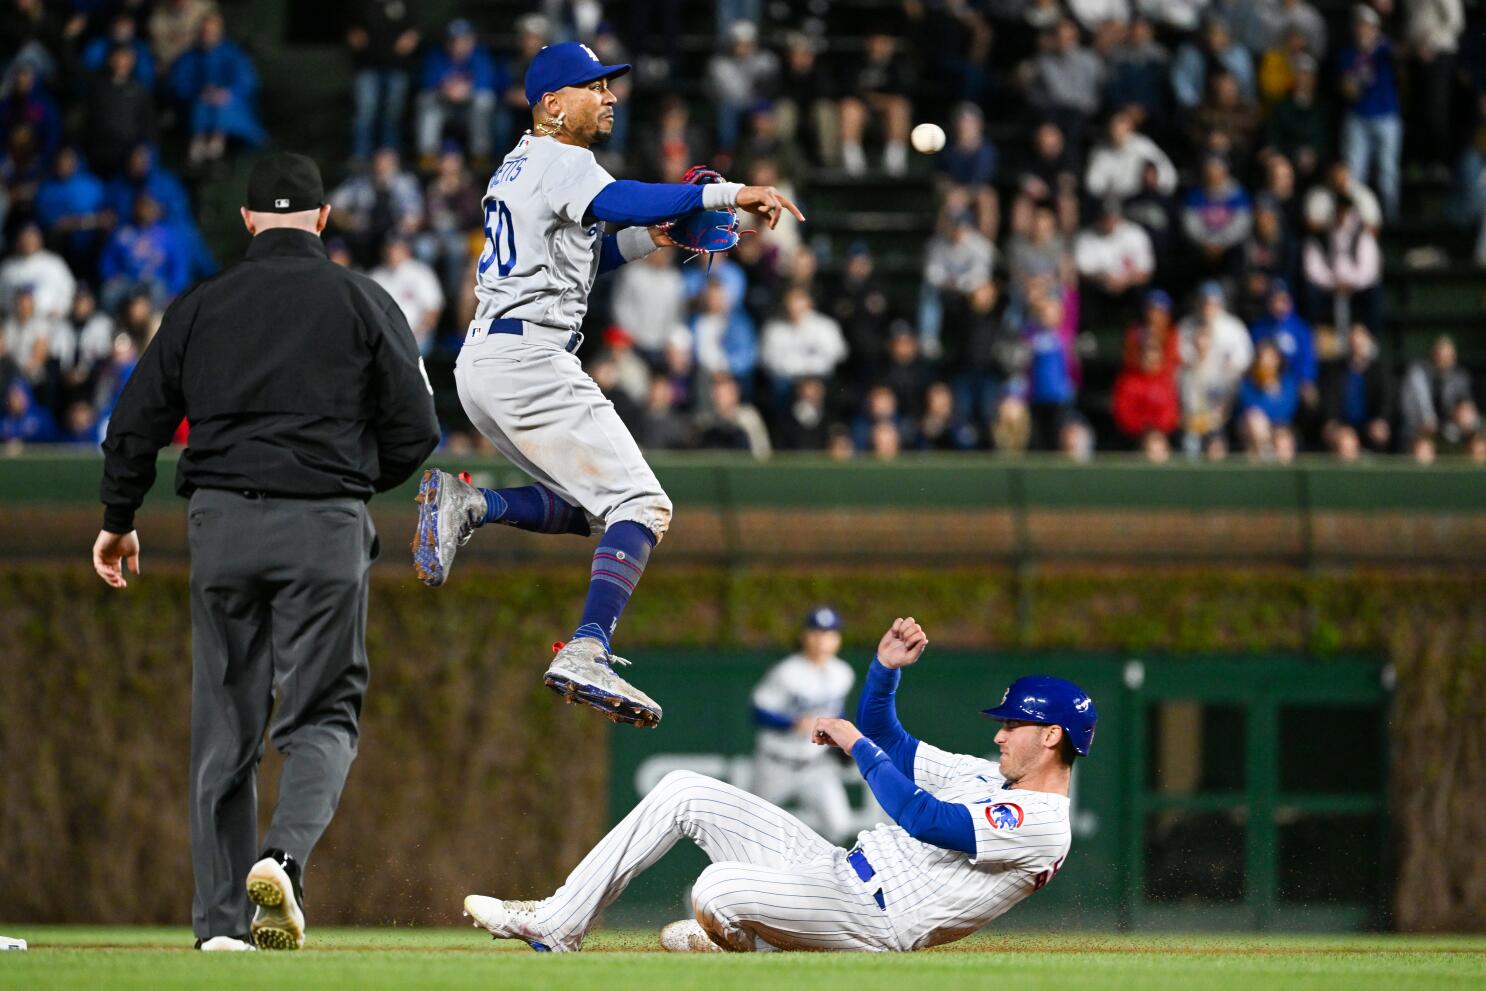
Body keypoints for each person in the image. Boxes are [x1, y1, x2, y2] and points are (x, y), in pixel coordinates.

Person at [90, 153, 440, 953]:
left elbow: (134, 420)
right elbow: (418, 429)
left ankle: (219, 929)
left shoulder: (201, 305)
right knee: (322, 712)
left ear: (247, 220)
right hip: (324, 526)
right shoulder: (362, 298)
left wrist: (118, 514)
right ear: (323, 219)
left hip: (221, 526)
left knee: (224, 728)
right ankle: (282, 856)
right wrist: (349, 482)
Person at [409, 43, 803, 729]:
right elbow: (614, 198)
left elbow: (586, 252)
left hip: (492, 361)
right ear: (552, 105)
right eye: (593, 87)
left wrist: (654, 237)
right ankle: (588, 647)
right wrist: (726, 193)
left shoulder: (520, 165)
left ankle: (472, 504)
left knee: (601, 510)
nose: (610, 96)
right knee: (645, 506)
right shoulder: (564, 159)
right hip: (529, 360)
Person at [461, 616, 1096, 953]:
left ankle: (754, 943)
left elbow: (927, 820)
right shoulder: (991, 775)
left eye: (1015, 725)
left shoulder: (1042, 824)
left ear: (1051, 738)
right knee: (684, 789)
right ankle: (558, 922)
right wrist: (882, 673)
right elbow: (893, 740)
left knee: (712, 887)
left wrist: (853, 744)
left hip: (874, 920)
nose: (999, 734)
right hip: (836, 869)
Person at [749, 607, 857, 843]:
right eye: (816, 633)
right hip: (775, 764)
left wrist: (843, 745)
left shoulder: (843, 673)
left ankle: (813, 874)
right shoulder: (786, 672)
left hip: (815, 766)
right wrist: (791, 723)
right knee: (749, 828)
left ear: (837, 639)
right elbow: (757, 712)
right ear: (805, 636)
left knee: (839, 826)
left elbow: (837, 712)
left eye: (829, 634)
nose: (822, 641)